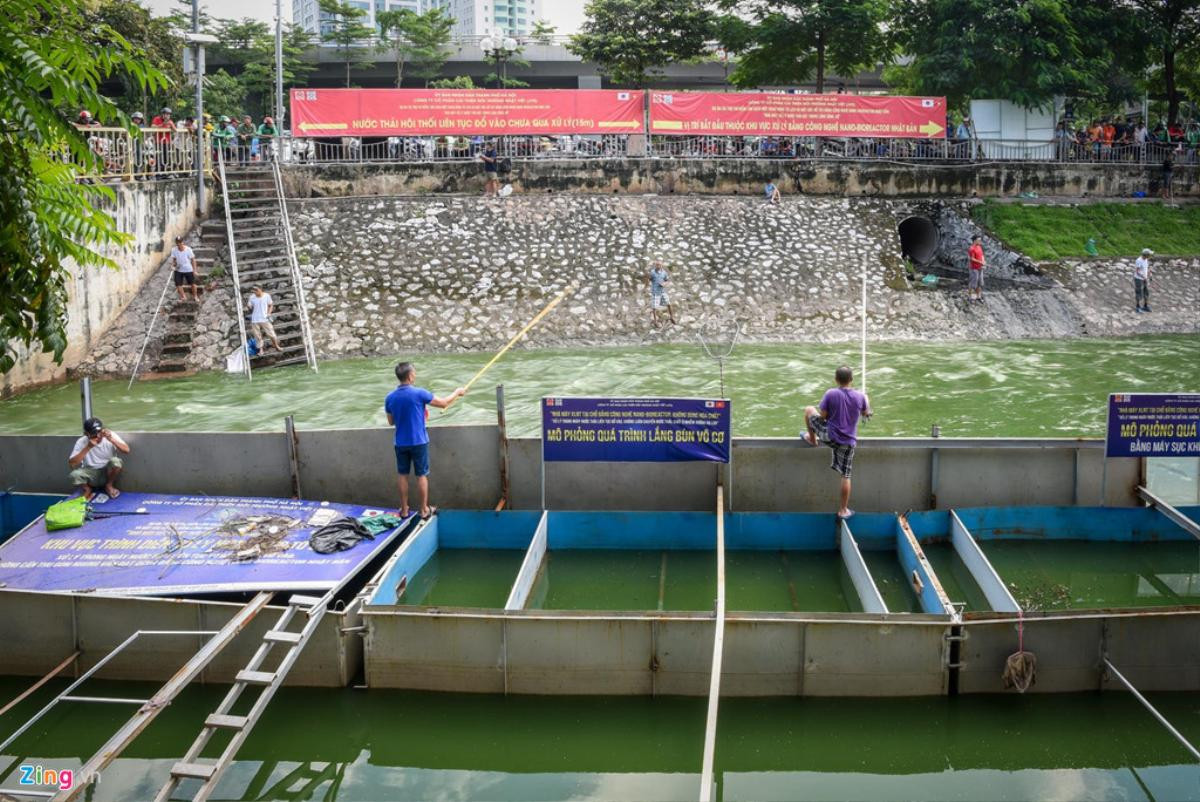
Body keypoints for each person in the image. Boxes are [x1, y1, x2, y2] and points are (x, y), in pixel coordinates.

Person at [385, 362, 465, 520]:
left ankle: (404, 510)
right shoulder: (419, 393)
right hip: (419, 442)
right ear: (409, 376)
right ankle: (423, 510)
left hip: (400, 443)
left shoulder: (390, 397)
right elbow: (443, 403)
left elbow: (391, 422)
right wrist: (457, 392)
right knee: (421, 475)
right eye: (414, 373)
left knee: (402, 475)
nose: (415, 375)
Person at [801, 366, 872, 519]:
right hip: (848, 442)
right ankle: (843, 510)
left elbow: (823, 417)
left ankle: (812, 439)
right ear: (851, 380)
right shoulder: (860, 397)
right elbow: (867, 414)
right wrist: (866, 400)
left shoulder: (831, 393)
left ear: (836, 379)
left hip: (830, 437)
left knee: (808, 410)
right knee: (846, 475)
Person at [69, 417, 131, 500]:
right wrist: (88, 447)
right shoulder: (81, 441)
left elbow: (126, 450)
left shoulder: (110, 435)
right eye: (94, 433)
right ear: (86, 434)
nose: (98, 435)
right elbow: (72, 463)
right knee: (74, 475)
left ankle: (109, 485)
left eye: (99, 431)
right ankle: (87, 489)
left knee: (116, 461)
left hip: (107, 472)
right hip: (91, 474)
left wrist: (111, 439)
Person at [247, 286, 281, 352]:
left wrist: (269, 313)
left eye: (256, 290)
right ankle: (261, 350)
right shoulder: (251, 297)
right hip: (255, 319)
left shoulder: (266, 296)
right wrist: (249, 307)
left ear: (260, 289)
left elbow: (271, 305)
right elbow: (250, 308)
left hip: (265, 318)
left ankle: (276, 346)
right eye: (253, 290)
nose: (255, 291)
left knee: (271, 334)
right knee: (257, 336)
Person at [169, 236, 200, 302]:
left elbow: (193, 260)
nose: (179, 244)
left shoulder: (188, 249)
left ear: (183, 242)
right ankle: (183, 297)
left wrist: (194, 270)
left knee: (192, 284)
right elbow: (174, 260)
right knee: (178, 284)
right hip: (178, 269)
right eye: (177, 243)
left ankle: (195, 296)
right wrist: (172, 266)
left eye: (180, 242)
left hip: (188, 269)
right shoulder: (174, 250)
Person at [647, 259, 676, 327]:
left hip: (663, 292)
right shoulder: (652, 272)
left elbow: (667, 280)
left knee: (668, 304)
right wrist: (650, 281)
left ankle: (672, 317)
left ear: (661, 265)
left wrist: (664, 284)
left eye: (659, 264)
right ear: (655, 265)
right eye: (657, 265)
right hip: (655, 292)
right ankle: (655, 321)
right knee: (654, 307)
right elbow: (649, 279)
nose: (658, 266)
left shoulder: (664, 272)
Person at [967, 235, 985, 303]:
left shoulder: (979, 247)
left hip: (980, 268)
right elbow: (972, 259)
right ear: (975, 241)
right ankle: (970, 297)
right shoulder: (971, 248)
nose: (980, 241)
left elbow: (982, 255)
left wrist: (983, 261)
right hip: (974, 269)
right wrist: (980, 262)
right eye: (979, 240)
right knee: (973, 283)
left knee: (980, 283)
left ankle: (978, 296)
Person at [1134, 248, 1152, 313]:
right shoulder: (1139, 260)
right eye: (1149, 255)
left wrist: (1150, 274)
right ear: (1146, 255)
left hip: (1145, 278)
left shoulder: (1146, 259)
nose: (1150, 256)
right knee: (1139, 292)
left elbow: (1147, 268)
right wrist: (1143, 277)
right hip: (1138, 279)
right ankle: (1137, 307)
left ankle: (1145, 306)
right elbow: (1137, 271)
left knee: (1146, 292)